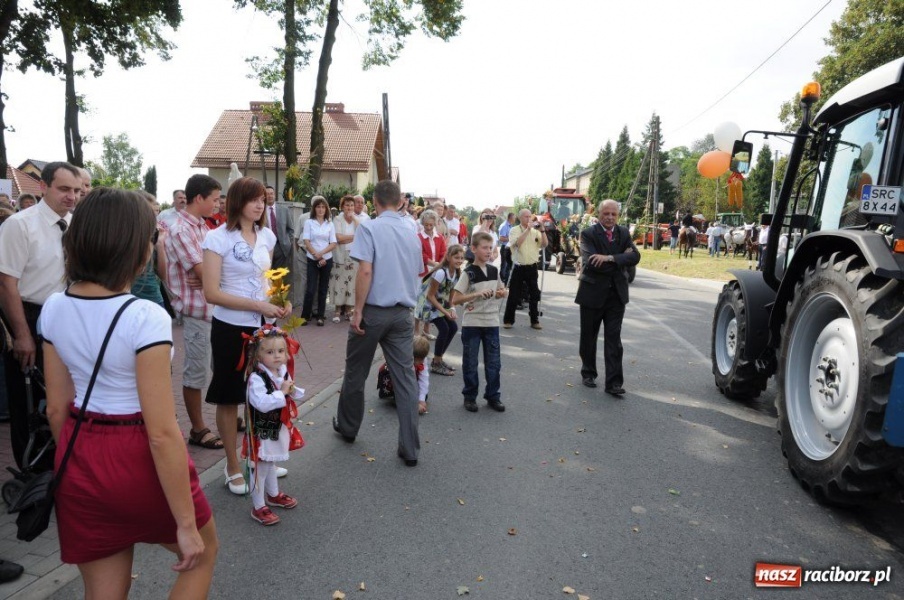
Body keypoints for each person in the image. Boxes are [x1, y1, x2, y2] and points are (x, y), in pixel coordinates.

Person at [41, 188, 217, 597]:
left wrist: (79, 457)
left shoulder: (53, 306)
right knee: (202, 554)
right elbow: (161, 432)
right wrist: (185, 524)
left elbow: (55, 409)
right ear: (136, 248)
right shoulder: (146, 316)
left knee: (103, 591)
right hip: (137, 452)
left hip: (80, 446)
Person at [202, 176, 290, 495]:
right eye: (253, 199)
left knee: (263, 392)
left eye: (262, 200)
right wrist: (258, 304)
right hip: (230, 327)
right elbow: (212, 293)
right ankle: (232, 465)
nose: (259, 205)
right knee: (229, 396)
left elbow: (269, 279)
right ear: (237, 202)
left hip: (264, 327)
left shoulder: (267, 235)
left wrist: (280, 300)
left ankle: (260, 455)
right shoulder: (217, 238)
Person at [333, 180, 422, 467]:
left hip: (373, 311)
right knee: (405, 379)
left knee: (356, 372)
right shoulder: (412, 231)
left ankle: (348, 428)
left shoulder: (369, 228)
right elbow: (417, 272)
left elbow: (365, 271)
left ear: (374, 201)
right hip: (402, 312)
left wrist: (357, 310)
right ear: (400, 201)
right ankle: (410, 448)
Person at [0, 161, 78, 470]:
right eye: (64, 189)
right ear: (43, 187)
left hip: (67, 317)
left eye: (76, 190)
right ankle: (31, 472)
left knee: (62, 397)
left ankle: (61, 465)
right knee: (28, 400)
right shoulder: (19, 225)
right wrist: (21, 334)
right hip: (29, 315)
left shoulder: (75, 224)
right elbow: (6, 283)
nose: (72, 196)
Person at [164, 175, 222, 452]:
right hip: (197, 311)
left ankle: (224, 417)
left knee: (218, 367)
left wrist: (212, 275)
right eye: (215, 199)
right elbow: (204, 272)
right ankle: (198, 429)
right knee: (196, 372)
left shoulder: (202, 226)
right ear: (199, 198)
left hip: (213, 308)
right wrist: (210, 275)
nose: (218, 204)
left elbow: (214, 270)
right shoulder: (180, 230)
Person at [576, 199, 640, 395]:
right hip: (592, 294)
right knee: (589, 336)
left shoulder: (623, 233)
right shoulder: (588, 234)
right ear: (599, 214)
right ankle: (588, 372)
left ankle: (613, 383)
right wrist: (621, 258)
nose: (610, 217)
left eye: (614, 214)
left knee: (614, 339)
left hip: (616, 295)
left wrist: (609, 257)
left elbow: (635, 257)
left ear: (617, 216)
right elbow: (591, 262)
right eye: (606, 214)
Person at [242, 325, 304, 526]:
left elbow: (289, 390)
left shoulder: (282, 371)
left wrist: (292, 390)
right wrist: (282, 392)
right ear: (258, 355)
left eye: (281, 351)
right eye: (270, 352)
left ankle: (273, 494)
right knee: (261, 466)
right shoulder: (256, 378)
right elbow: (261, 402)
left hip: (278, 426)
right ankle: (258, 505)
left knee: (271, 462)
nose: (277, 356)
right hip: (263, 428)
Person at [452, 232, 507, 413]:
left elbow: (501, 289)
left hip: (491, 322)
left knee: (494, 363)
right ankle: (470, 397)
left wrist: (502, 292)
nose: (488, 251)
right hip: (472, 324)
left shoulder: (494, 271)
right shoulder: (468, 273)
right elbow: (455, 299)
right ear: (474, 249)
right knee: (470, 363)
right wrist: (476, 294)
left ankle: (493, 396)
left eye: (490, 248)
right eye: (484, 247)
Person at [416, 244, 464, 377]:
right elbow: (430, 296)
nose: (459, 260)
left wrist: (452, 309)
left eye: (461, 258)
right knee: (444, 329)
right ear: (448, 257)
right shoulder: (441, 273)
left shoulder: (457, 273)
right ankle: (436, 363)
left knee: (453, 328)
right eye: (456, 257)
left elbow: (451, 297)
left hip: (440, 303)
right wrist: (446, 312)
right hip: (428, 305)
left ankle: (439, 358)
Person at [502, 209, 547, 330]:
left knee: (534, 294)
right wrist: (527, 230)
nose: (528, 219)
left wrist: (542, 230)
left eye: (529, 216)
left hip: (532, 267)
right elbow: (517, 244)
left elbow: (544, 244)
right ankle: (508, 320)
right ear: (520, 218)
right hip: (518, 266)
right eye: (526, 216)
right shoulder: (514, 230)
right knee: (514, 294)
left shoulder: (535, 231)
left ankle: (534, 320)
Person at [301, 197, 337, 326]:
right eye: (318, 207)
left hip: (327, 259)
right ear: (314, 209)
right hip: (312, 259)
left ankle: (321, 316)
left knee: (323, 289)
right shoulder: (309, 222)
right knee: (310, 289)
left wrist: (321, 254)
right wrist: (316, 255)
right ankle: (305, 316)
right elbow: (306, 241)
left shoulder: (330, 224)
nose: (321, 209)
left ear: (326, 209)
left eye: (323, 207)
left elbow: (333, 243)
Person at [131, 191, 168, 309]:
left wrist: (160, 244)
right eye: (149, 212)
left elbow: (162, 275)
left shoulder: (154, 234)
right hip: (130, 298)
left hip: (153, 297)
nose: (154, 216)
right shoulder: (127, 235)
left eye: (156, 212)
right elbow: (138, 268)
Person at [331, 195, 359, 323]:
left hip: (354, 256)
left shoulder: (356, 219)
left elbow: (361, 233)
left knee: (351, 284)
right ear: (342, 207)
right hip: (340, 256)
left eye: (352, 205)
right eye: (347, 205)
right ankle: (337, 311)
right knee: (339, 283)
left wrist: (354, 218)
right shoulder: (337, 219)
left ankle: (349, 310)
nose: (349, 207)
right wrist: (355, 237)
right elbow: (339, 238)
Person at [264, 185, 294, 270]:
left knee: (279, 275)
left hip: (282, 248)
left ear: (275, 195)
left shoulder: (284, 210)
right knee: (266, 273)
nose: (270, 196)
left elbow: (291, 229)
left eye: (271, 193)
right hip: (266, 247)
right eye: (267, 194)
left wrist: (288, 242)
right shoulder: (260, 211)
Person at [498, 212, 516, 282]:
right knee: (504, 265)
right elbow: (501, 238)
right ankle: (502, 281)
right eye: (514, 218)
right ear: (510, 218)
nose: (515, 219)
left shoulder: (510, 226)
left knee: (508, 265)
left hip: (509, 248)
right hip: (505, 248)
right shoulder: (504, 226)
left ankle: (506, 281)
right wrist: (511, 238)